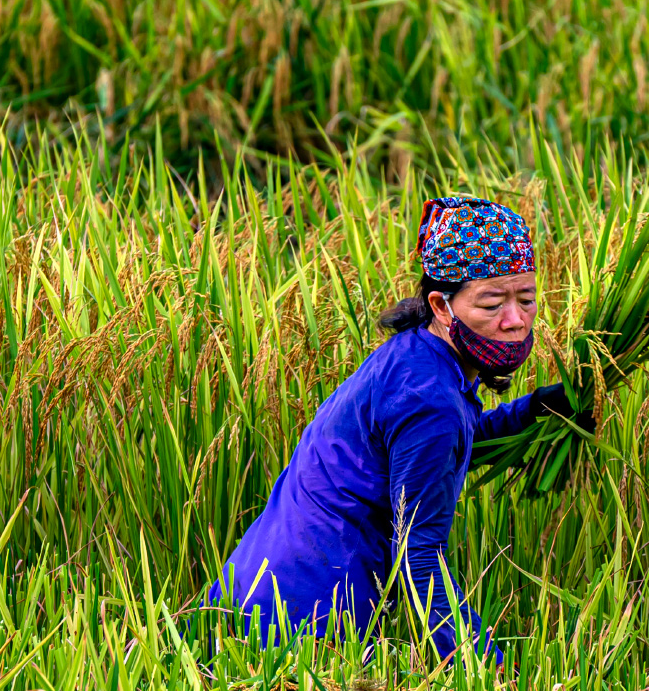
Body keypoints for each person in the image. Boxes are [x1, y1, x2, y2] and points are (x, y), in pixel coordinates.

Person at [202, 196, 575, 664]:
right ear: (441, 305)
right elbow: (418, 556)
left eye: (527, 299)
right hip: (299, 629)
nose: (515, 319)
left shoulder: (416, 356)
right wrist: (486, 666)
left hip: (249, 594)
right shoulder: (429, 397)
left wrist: (537, 408)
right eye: (492, 302)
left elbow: (447, 447)